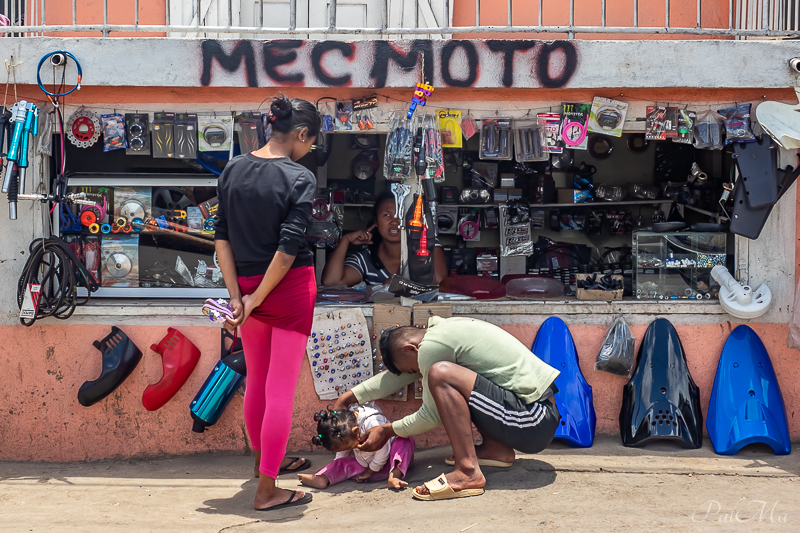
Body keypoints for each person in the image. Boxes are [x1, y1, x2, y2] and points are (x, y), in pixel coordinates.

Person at [215, 96, 320, 511]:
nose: (310, 150)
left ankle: (265, 464)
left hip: (246, 284)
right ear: (300, 134)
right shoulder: (299, 177)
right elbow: (289, 247)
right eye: (311, 142)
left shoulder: (234, 168)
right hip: (288, 287)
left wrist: (238, 296)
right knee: (280, 390)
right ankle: (267, 490)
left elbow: (221, 236)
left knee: (257, 380)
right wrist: (258, 298)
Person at [333, 316, 561, 501]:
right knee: (455, 378)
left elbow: (432, 415)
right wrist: (349, 397)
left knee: (440, 374)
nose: (415, 375)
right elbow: (395, 379)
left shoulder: (432, 349)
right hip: (531, 414)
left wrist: (387, 430)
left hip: (533, 420)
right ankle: (496, 450)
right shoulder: (440, 332)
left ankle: (468, 472)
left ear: (411, 348)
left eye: (413, 370)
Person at [320, 192, 448, 286]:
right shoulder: (366, 259)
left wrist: (396, 284)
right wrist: (345, 240)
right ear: (375, 221)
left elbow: (440, 281)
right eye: (387, 215)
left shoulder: (426, 245)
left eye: (401, 215)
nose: (394, 221)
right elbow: (331, 282)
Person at [297, 404, 415, 491]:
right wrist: (336, 466)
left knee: (404, 440)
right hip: (365, 468)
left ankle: (394, 477)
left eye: (350, 447)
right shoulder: (347, 431)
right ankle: (323, 478)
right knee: (342, 463)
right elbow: (341, 455)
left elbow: (383, 451)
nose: (350, 450)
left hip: (391, 462)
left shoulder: (373, 423)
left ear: (357, 431)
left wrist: (370, 471)